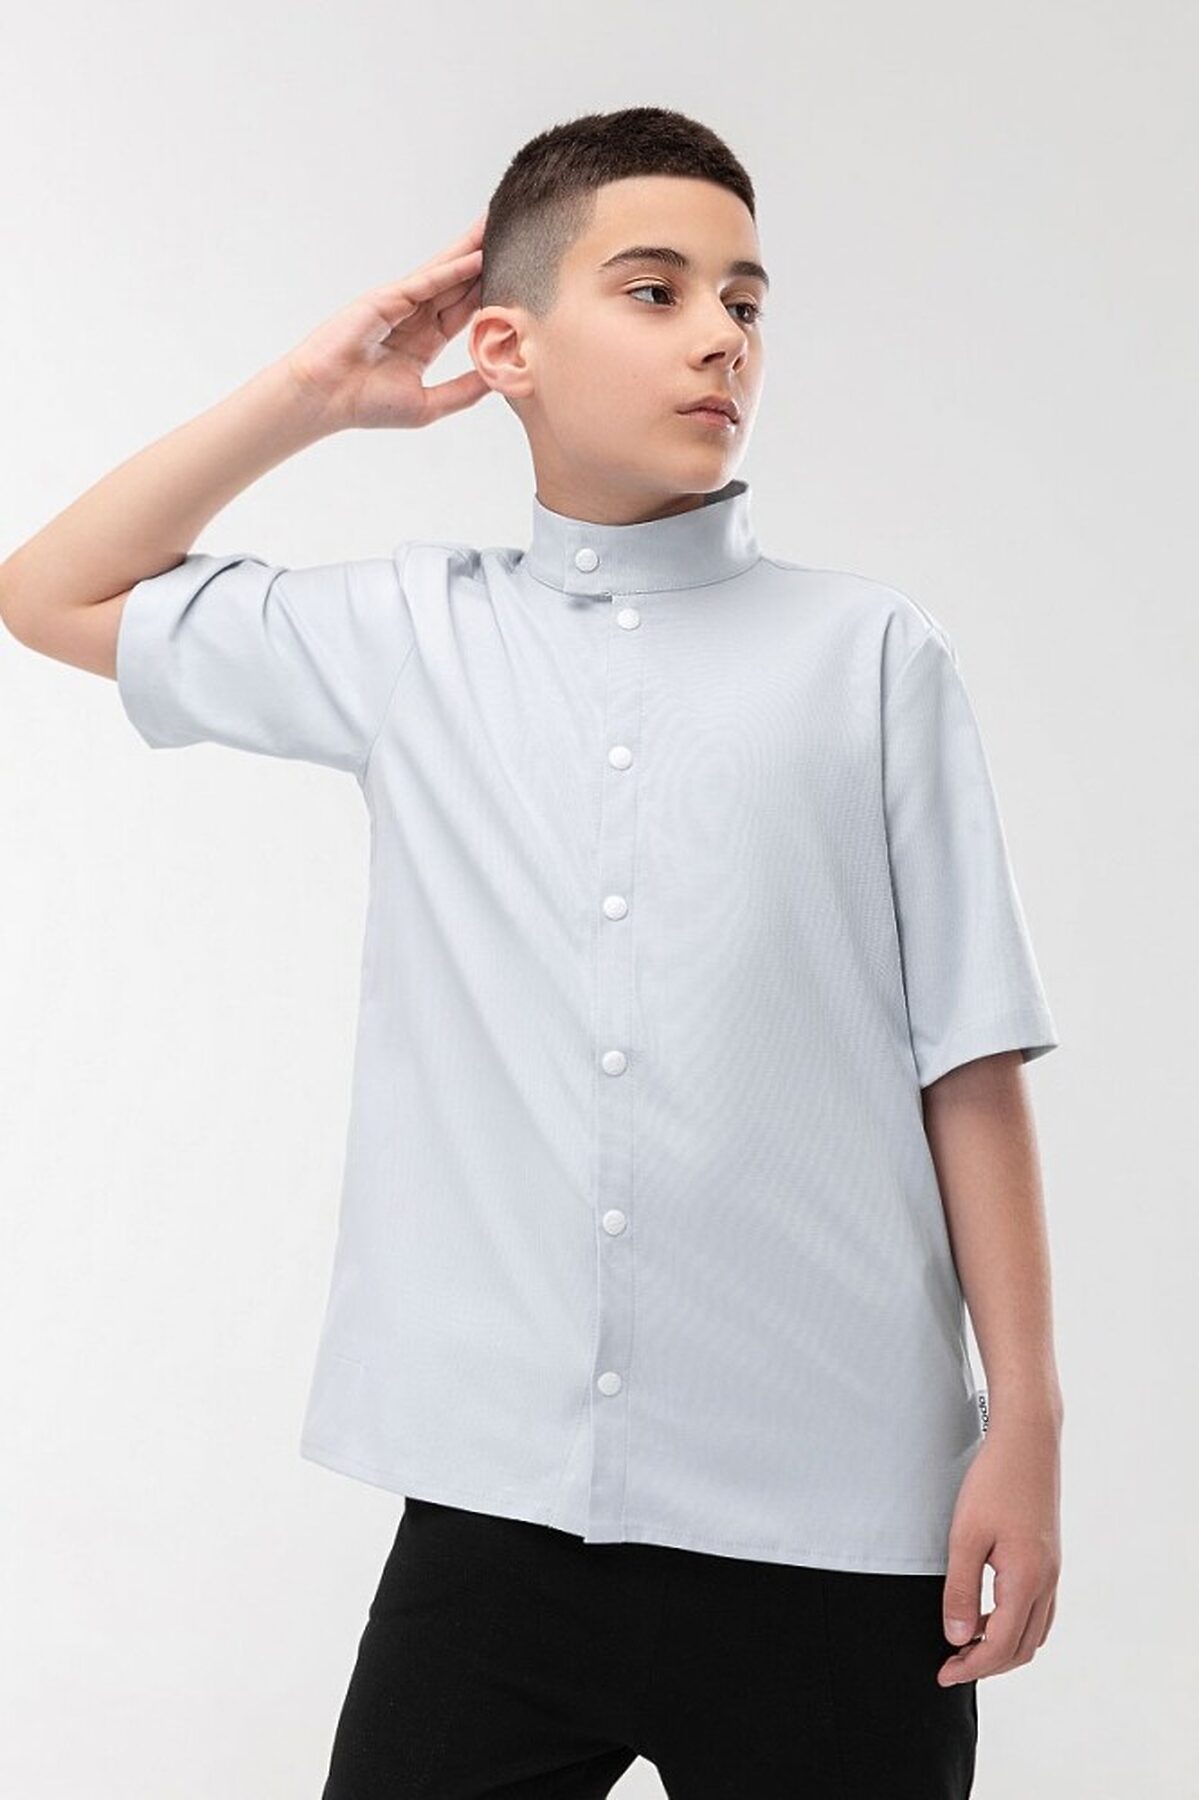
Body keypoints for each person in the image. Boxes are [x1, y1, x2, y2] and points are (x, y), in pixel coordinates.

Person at [0, 106, 1064, 1799]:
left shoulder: (870, 655)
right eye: (655, 290)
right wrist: (312, 393)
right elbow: (49, 591)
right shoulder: (408, 638)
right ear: (506, 347)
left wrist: (1028, 1421)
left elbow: (970, 1052)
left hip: (836, 1526)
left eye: (746, 300)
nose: (721, 336)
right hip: (497, 1523)